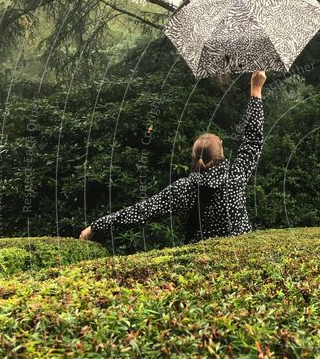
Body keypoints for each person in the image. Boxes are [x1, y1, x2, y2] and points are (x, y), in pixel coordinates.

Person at [79, 70, 267, 245]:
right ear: (221, 152)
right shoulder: (236, 175)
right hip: (242, 262)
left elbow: (142, 211)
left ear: (194, 157)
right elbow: (254, 139)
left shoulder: (183, 189)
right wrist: (256, 89)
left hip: (202, 268)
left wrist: (96, 226)